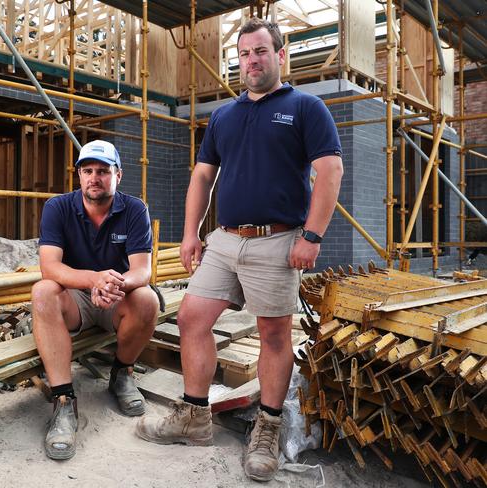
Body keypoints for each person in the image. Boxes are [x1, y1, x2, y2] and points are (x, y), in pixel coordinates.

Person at [136, 17, 343, 482]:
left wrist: (311, 236)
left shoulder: (307, 108)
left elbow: (329, 170)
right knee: (191, 318)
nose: (251, 60)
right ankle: (194, 417)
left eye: (261, 51)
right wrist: (190, 233)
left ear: (280, 55)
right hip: (225, 239)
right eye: (244, 53)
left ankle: (267, 431)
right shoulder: (224, 116)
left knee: (273, 335)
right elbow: (203, 176)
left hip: (278, 239)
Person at [32, 139, 159, 461]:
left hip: (117, 297)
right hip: (77, 296)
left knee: (147, 300)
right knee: (43, 291)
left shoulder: (134, 208)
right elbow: (50, 266)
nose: (94, 177)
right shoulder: (58, 207)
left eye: (103, 171)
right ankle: (64, 401)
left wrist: (115, 285)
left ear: (119, 174)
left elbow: (142, 271)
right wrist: (94, 279)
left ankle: (122, 373)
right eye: (87, 170)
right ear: (78, 175)